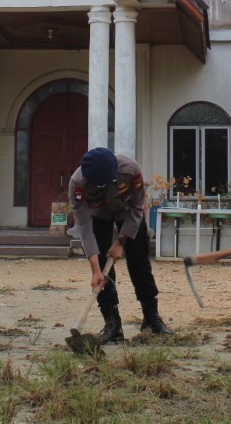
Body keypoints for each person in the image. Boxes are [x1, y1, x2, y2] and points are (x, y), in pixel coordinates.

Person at [69, 147, 173, 344]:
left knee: (140, 263)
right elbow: (84, 226)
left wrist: (120, 241)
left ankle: (151, 319)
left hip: (128, 213)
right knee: (102, 266)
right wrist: (95, 270)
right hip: (98, 215)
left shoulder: (131, 170)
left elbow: (137, 207)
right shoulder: (77, 183)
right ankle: (112, 324)